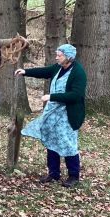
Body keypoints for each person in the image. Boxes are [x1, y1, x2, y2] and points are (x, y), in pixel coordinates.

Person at [15, 44, 86, 188]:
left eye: (59, 55)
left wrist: (52, 96)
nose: (57, 57)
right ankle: (53, 173)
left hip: (68, 114)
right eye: (57, 54)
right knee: (51, 140)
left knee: (68, 143)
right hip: (52, 112)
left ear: (69, 57)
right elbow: (45, 71)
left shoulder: (78, 73)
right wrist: (25, 72)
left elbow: (76, 95)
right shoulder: (58, 67)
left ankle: (73, 175)